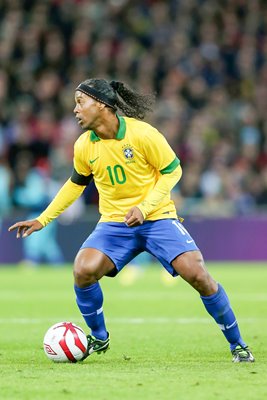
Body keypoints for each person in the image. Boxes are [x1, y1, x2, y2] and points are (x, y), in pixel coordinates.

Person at [8, 78, 254, 363]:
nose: (75, 110)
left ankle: (237, 344)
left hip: (157, 217)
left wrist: (145, 207)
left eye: (80, 102)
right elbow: (75, 184)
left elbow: (173, 171)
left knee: (198, 274)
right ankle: (99, 336)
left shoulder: (142, 135)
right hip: (114, 223)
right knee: (82, 270)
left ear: (101, 104)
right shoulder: (84, 146)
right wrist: (43, 219)